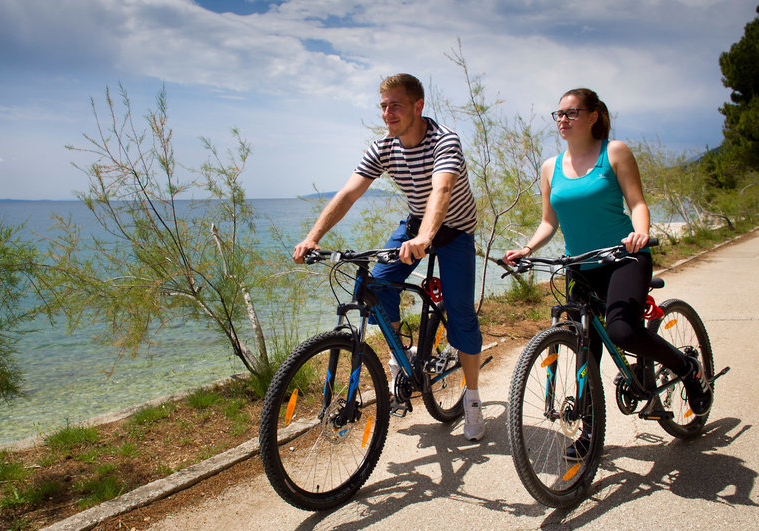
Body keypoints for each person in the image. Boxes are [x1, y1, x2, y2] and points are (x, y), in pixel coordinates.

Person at [503, 88, 712, 455]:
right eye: (559, 114)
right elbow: (549, 222)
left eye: (571, 112)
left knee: (622, 330)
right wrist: (527, 248)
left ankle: (687, 369)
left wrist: (640, 232)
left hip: (624, 258)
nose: (563, 120)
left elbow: (637, 202)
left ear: (593, 116)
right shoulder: (550, 167)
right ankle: (589, 433)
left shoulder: (614, 152)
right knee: (585, 349)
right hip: (580, 267)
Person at [293, 73, 485, 441]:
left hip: (454, 231)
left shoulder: (444, 141)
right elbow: (348, 194)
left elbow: (442, 190)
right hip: (416, 225)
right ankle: (401, 356)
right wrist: (313, 238)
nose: (387, 113)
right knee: (376, 285)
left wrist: (426, 237)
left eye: (395, 105)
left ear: (418, 105)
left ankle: (473, 398)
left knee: (461, 313)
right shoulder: (384, 147)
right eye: (383, 106)